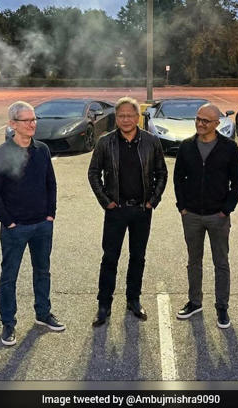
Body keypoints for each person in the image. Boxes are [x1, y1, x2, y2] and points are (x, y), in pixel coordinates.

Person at [0, 101, 64, 347]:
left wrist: (50, 214)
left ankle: (43, 313)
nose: (32, 124)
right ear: (13, 124)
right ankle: (8, 323)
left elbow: (51, 183)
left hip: (42, 224)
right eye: (26, 120)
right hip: (15, 228)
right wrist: (8, 222)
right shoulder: (0, 154)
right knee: (9, 277)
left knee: (43, 271)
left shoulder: (42, 150)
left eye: (34, 119)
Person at [87, 97, 167, 327]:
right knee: (110, 258)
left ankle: (133, 299)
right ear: (116, 118)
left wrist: (152, 201)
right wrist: (106, 202)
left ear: (137, 117)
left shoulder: (151, 141)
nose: (125, 120)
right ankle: (104, 304)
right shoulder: (105, 142)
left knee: (137, 257)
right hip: (116, 211)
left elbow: (162, 172)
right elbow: (93, 173)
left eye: (130, 115)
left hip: (142, 210)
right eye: (121, 115)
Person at [173, 103, 238, 329]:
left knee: (221, 262)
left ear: (217, 123)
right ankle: (195, 302)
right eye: (198, 119)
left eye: (206, 121)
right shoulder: (186, 146)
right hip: (191, 215)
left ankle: (222, 307)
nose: (200, 124)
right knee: (194, 261)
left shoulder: (229, 148)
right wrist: (182, 207)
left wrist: (226, 210)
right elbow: (178, 179)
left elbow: (237, 183)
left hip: (218, 216)